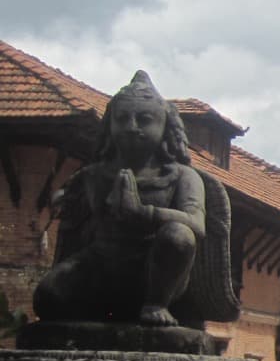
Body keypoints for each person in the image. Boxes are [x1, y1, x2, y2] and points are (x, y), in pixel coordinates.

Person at [33, 69, 209, 327]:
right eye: (123, 118)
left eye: (144, 119)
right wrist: (67, 199)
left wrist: (145, 214)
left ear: (165, 127)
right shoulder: (93, 175)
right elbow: (74, 215)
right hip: (100, 266)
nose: (132, 127)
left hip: (155, 271)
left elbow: (196, 223)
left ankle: (155, 306)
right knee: (47, 297)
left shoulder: (182, 176)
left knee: (179, 236)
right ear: (110, 124)